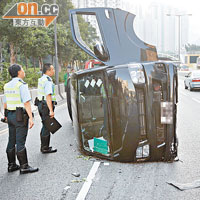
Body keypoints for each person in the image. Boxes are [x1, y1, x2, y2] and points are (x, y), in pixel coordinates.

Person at [3, 64, 38, 174]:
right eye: (22, 69)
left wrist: (5, 116)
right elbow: (26, 102)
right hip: (20, 116)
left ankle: (11, 164)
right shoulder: (21, 85)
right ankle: (24, 166)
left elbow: (5, 102)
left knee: (11, 140)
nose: (23, 71)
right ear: (19, 72)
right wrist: (31, 118)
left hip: (10, 115)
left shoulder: (7, 85)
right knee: (20, 141)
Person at [36, 63, 57, 153]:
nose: (53, 71)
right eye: (52, 69)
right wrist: (51, 110)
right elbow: (48, 96)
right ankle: (45, 148)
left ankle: (44, 146)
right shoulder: (48, 81)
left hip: (41, 105)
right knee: (47, 126)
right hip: (46, 106)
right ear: (48, 71)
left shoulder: (42, 79)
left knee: (45, 125)